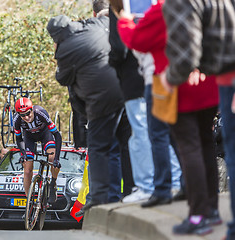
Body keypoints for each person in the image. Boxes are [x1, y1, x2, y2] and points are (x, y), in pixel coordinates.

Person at [46, 14, 133, 213]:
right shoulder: (96, 24)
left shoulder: (65, 50)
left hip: (100, 102)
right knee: (126, 145)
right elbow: (107, 17)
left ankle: (101, 197)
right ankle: (130, 192)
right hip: (126, 92)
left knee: (98, 148)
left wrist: (60, 52)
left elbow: (63, 77)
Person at [162, 0, 234, 237]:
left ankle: (198, 215)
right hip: (213, 80)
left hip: (187, 82)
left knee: (190, 147)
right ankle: (211, 210)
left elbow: (184, 52)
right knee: (205, 145)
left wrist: (168, 79)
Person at [115, 0, 182, 208]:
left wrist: (124, 23)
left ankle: (157, 187)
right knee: (179, 136)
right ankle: (181, 184)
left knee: (157, 135)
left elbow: (137, 41)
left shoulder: (158, 10)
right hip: (178, 77)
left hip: (158, 78)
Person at [93, 0, 154, 203]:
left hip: (130, 81)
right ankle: (163, 183)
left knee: (139, 135)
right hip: (156, 74)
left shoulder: (120, 8)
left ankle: (145, 186)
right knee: (158, 132)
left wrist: (114, 64)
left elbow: (119, 47)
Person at [13, 97, 62, 204]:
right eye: (22, 115)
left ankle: (53, 182)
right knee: (27, 169)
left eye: (28, 113)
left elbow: (57, 135)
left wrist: (57, 159)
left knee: (52, 157)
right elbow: (19, 138)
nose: (26, 117)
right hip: (29, 138)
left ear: (32, 109)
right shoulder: (16, 120)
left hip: (45, 134)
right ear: (18, 114)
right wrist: (23, 154)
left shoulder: (40, 112)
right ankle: (29, 201)